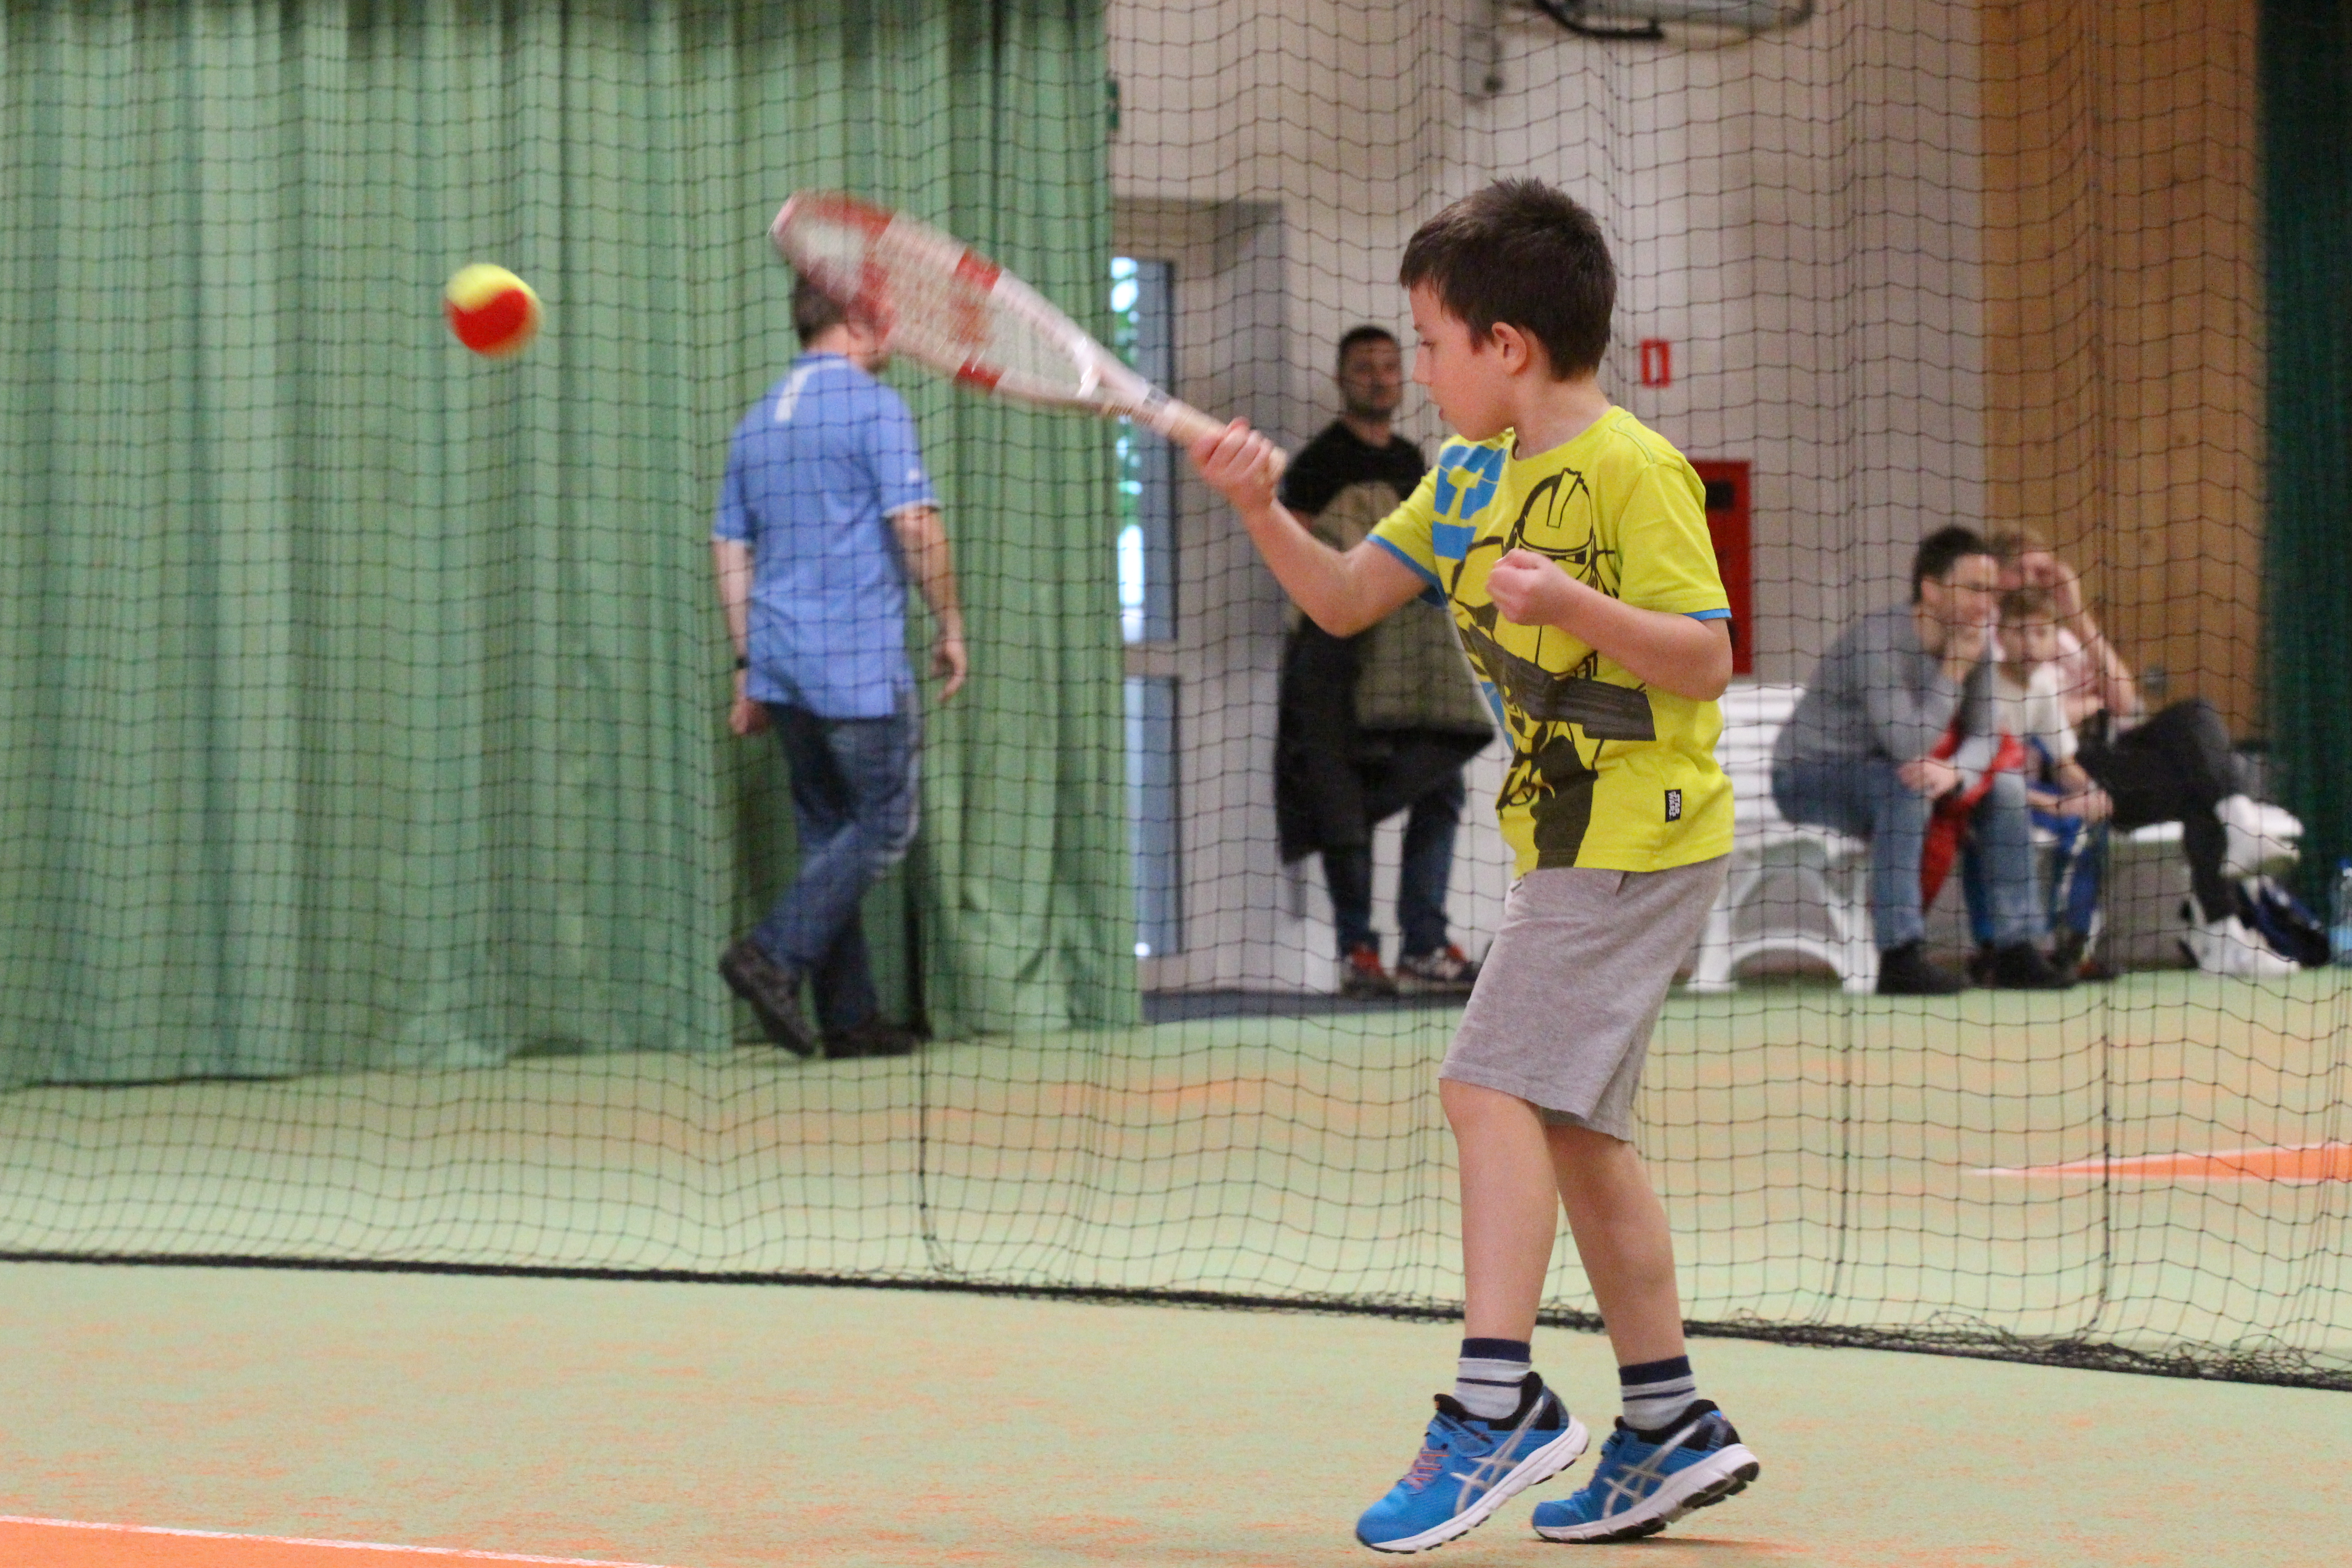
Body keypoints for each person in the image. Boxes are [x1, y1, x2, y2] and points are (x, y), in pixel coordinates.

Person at [1189, 179, 1758, 1551]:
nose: (1419, 366)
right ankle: (1670, 1424)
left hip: (1638, 831)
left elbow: (1706, 655)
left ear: (1507, 346)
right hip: (1567, 837)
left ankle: (1494, 1406)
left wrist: (1573, 604)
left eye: (1432, 341)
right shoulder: (1465, 481)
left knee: (1483, 1084)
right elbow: (1336, 599)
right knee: (1574, 1128)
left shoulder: (1633, 470)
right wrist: (1262, 505)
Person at [710, 277, 969, 1059]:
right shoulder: (874, 408)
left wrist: (748, 664)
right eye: (883, 314)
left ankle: (850, 1020)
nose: (892, 329)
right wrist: (950, 623)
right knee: (885, 826)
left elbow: (729, 549)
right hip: (854, 662)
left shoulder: (756, 423)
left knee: (829, 836)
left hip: (782, 666)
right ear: (855, 320)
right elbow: (915, 524)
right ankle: (770, 955)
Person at [1275, 326, 1493, 997]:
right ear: (1342, 379)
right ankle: (1357, 951)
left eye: (1388, 366)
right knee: (1344, 800)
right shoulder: (1315, 462)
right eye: (1363, 368)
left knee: (1441, 780)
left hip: (1413, 659)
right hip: (1336, 661)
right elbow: (1305, 563)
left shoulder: (1414, 460)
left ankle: (1424, 942)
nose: (1379, 378)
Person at [1771, 528, 2073, 995]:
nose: (1988, 604)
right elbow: (1907, 743)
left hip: (1892, 772)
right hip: (1810, 778)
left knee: (2007, 788)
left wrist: (1957, 772)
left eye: (1992, 591)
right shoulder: (1880, 643)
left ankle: (2015, 950)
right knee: (1905, 784)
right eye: (1975, 589)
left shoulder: (1977, 642)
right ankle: (1900, 957)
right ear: (1931, 590)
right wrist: (1953, 670)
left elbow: (1987, 732)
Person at [1986, 528, 2294, 977]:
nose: (2036, 579)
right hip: (2059, 766)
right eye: (2023, 570)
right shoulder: (1997, 638)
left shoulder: (2062, 635)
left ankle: (2236, 829)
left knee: (2195, 715)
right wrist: (2084, 705)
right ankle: (2221, 930)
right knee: (2200, 786)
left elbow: (2125, 699)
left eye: (2044, 569)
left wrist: (2075, 613)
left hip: (2106, 751)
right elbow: (2035, 719)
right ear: (1999, 576)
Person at [1958, 586, 2114, 980]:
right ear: (2001, 637)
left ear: (2053, 641)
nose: (2030, 643)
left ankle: (2069, 944)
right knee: (1987, 831)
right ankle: (1993, 947)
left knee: (2093, 823)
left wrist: (2089, 794)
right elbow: (1986, 776)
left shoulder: (2045, 684)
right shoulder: (1985, 684)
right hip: (1973, 793)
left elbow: (2063, 763)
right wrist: (2053, 805)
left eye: (2041, 633)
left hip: (2019, 793)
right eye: (2020, 632)